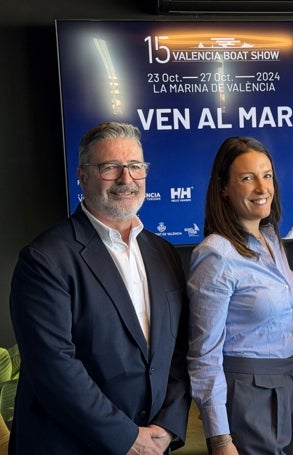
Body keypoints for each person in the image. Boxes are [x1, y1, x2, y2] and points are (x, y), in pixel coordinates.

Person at [9, 122, 191, 454]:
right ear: (83, 176)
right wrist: (128, 439)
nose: (126, 179)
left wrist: (167, 426)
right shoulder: (44, 259)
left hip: (152, 442)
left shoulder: (164, 253)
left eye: (135, 167)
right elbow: (54, 369)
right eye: (110, 168)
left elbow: (178, 351)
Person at [187, 137, 293, 455]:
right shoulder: (215, 253)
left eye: (266, 175)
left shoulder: (270, 239)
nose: (261, 187)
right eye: (247, 178)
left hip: (287, 384)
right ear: (224, 188)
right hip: (247, 395)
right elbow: (204, 354)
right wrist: (220, 438)